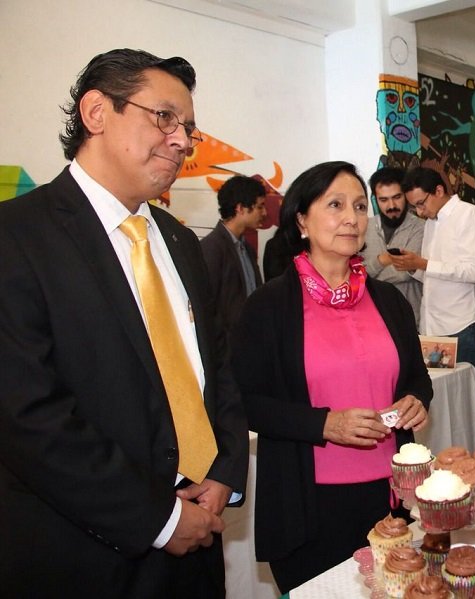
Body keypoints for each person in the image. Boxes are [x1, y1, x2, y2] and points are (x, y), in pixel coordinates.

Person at [0, 49, 248, 598]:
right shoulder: (16, 237)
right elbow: (26, 416)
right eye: (164, 117)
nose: (182, 141)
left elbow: (218, 369)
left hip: (199, 540)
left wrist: (224, 470)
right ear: (96, 112)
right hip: (84, 554)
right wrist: (157, 518)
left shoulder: (180, 241)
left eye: (188, 128)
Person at [230, 161, 432, 592]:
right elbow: (245, 402)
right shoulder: (268, 307)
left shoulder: (389, 300)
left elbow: (417, 377)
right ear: (301, 220)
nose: (352, 218)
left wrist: (417, 398)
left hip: (389, 499)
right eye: (335, 205)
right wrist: (324, 424)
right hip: (310, 506)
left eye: (359, 206)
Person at [393, 167, 475, 377]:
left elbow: (474, 271)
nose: (420, 212)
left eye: (421, 203)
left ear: (438, 190)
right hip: (431, 325)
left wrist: (424, 263)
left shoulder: (467, 214)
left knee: (465, 392)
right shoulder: (431, 223)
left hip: (460, 323)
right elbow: (435, 275)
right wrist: (414, 267)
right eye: (414, 207)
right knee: (439, 391)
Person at [200, 174, 266, 335]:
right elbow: (206, 305)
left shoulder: (246, 248)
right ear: (240, 208)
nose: (264, 212)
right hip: (228, 344)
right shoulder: (212, 248)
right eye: (259, 207)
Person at [361, 166, 425, 326]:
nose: (391, 206)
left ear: (406, 195)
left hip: (410, 320)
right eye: (383, 200)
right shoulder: (364, 227)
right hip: (371, 320)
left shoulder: (420, 227)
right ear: (375, 199)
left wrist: (369, 274)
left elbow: (404, 274)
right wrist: (381, 261)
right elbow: (354, 275)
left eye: (397, 197)